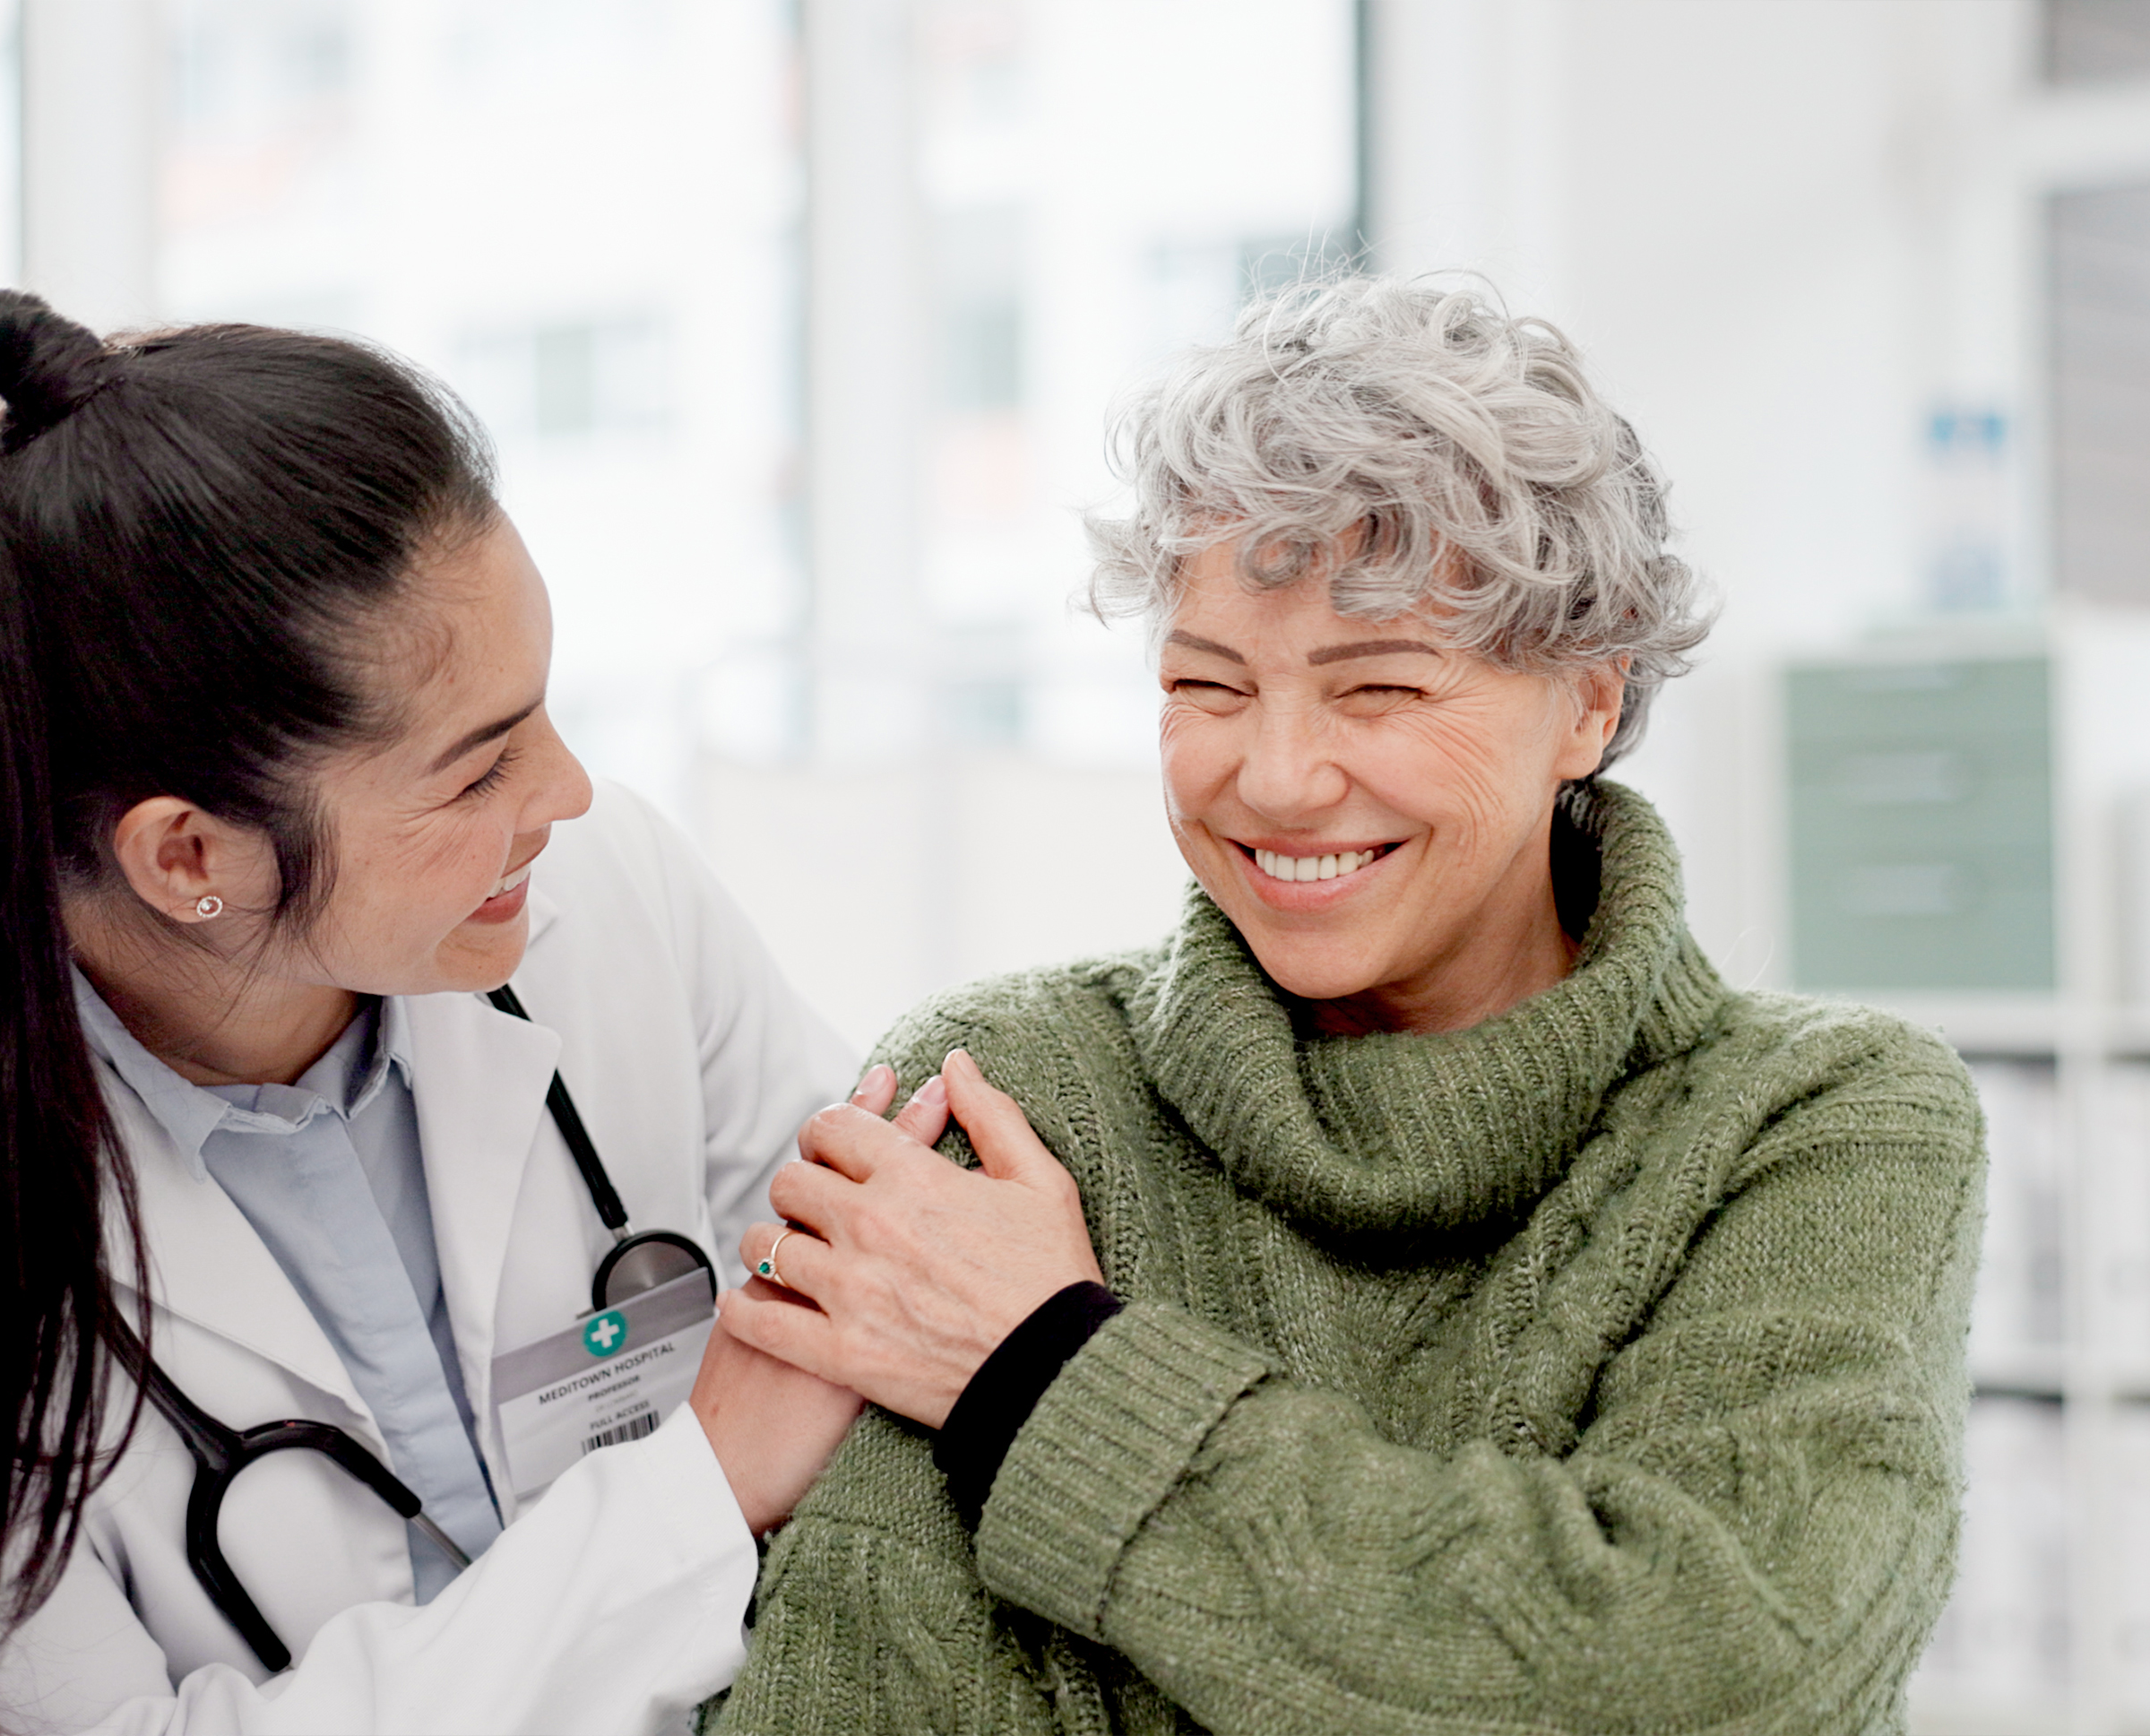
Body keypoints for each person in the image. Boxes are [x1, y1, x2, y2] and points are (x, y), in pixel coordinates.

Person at [709, 277, 1984, 1734]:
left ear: (1587, 699)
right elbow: (861, 1691)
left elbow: (1718, 1672)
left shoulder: (1822, 1121)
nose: (1277, 775)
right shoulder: (1013, 1095)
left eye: (1377, 688)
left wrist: (1044, 1373)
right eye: (1209, 682)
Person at [0, 290, 887, 1736]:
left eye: (545, 713)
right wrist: (693, 1495)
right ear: (189, 856)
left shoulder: (606, 902)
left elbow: (872, 1332)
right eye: (476, 768)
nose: (565, 793)